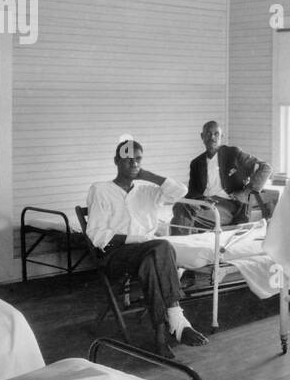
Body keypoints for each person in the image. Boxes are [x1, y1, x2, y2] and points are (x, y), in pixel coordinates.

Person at [85, 140, 208, 357]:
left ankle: (160, 337)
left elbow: (180, 191)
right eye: (127, 159)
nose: (133, 163)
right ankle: (177, 320)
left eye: (138, 159)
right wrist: (138, 238)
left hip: (148, 256)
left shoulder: (148, 191)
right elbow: (97, 235)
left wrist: (147, 175)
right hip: (116, 255)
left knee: (152, 261)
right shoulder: (100, 190)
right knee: (162, 246)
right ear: (116, 161)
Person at [172, 120, 273, 231]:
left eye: (216, 134)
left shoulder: (233, 154)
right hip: (204, 203)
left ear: (221, 136)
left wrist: (246, 192)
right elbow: (192, 192)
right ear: (202, 136)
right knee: (180, 206)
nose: (212, 137)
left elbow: (266, 168)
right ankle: (182, 243)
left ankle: (178, 245)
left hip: (228, 206)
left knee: (184, 212)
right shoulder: (196, 163)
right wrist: (201, 200)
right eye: (208, 133)